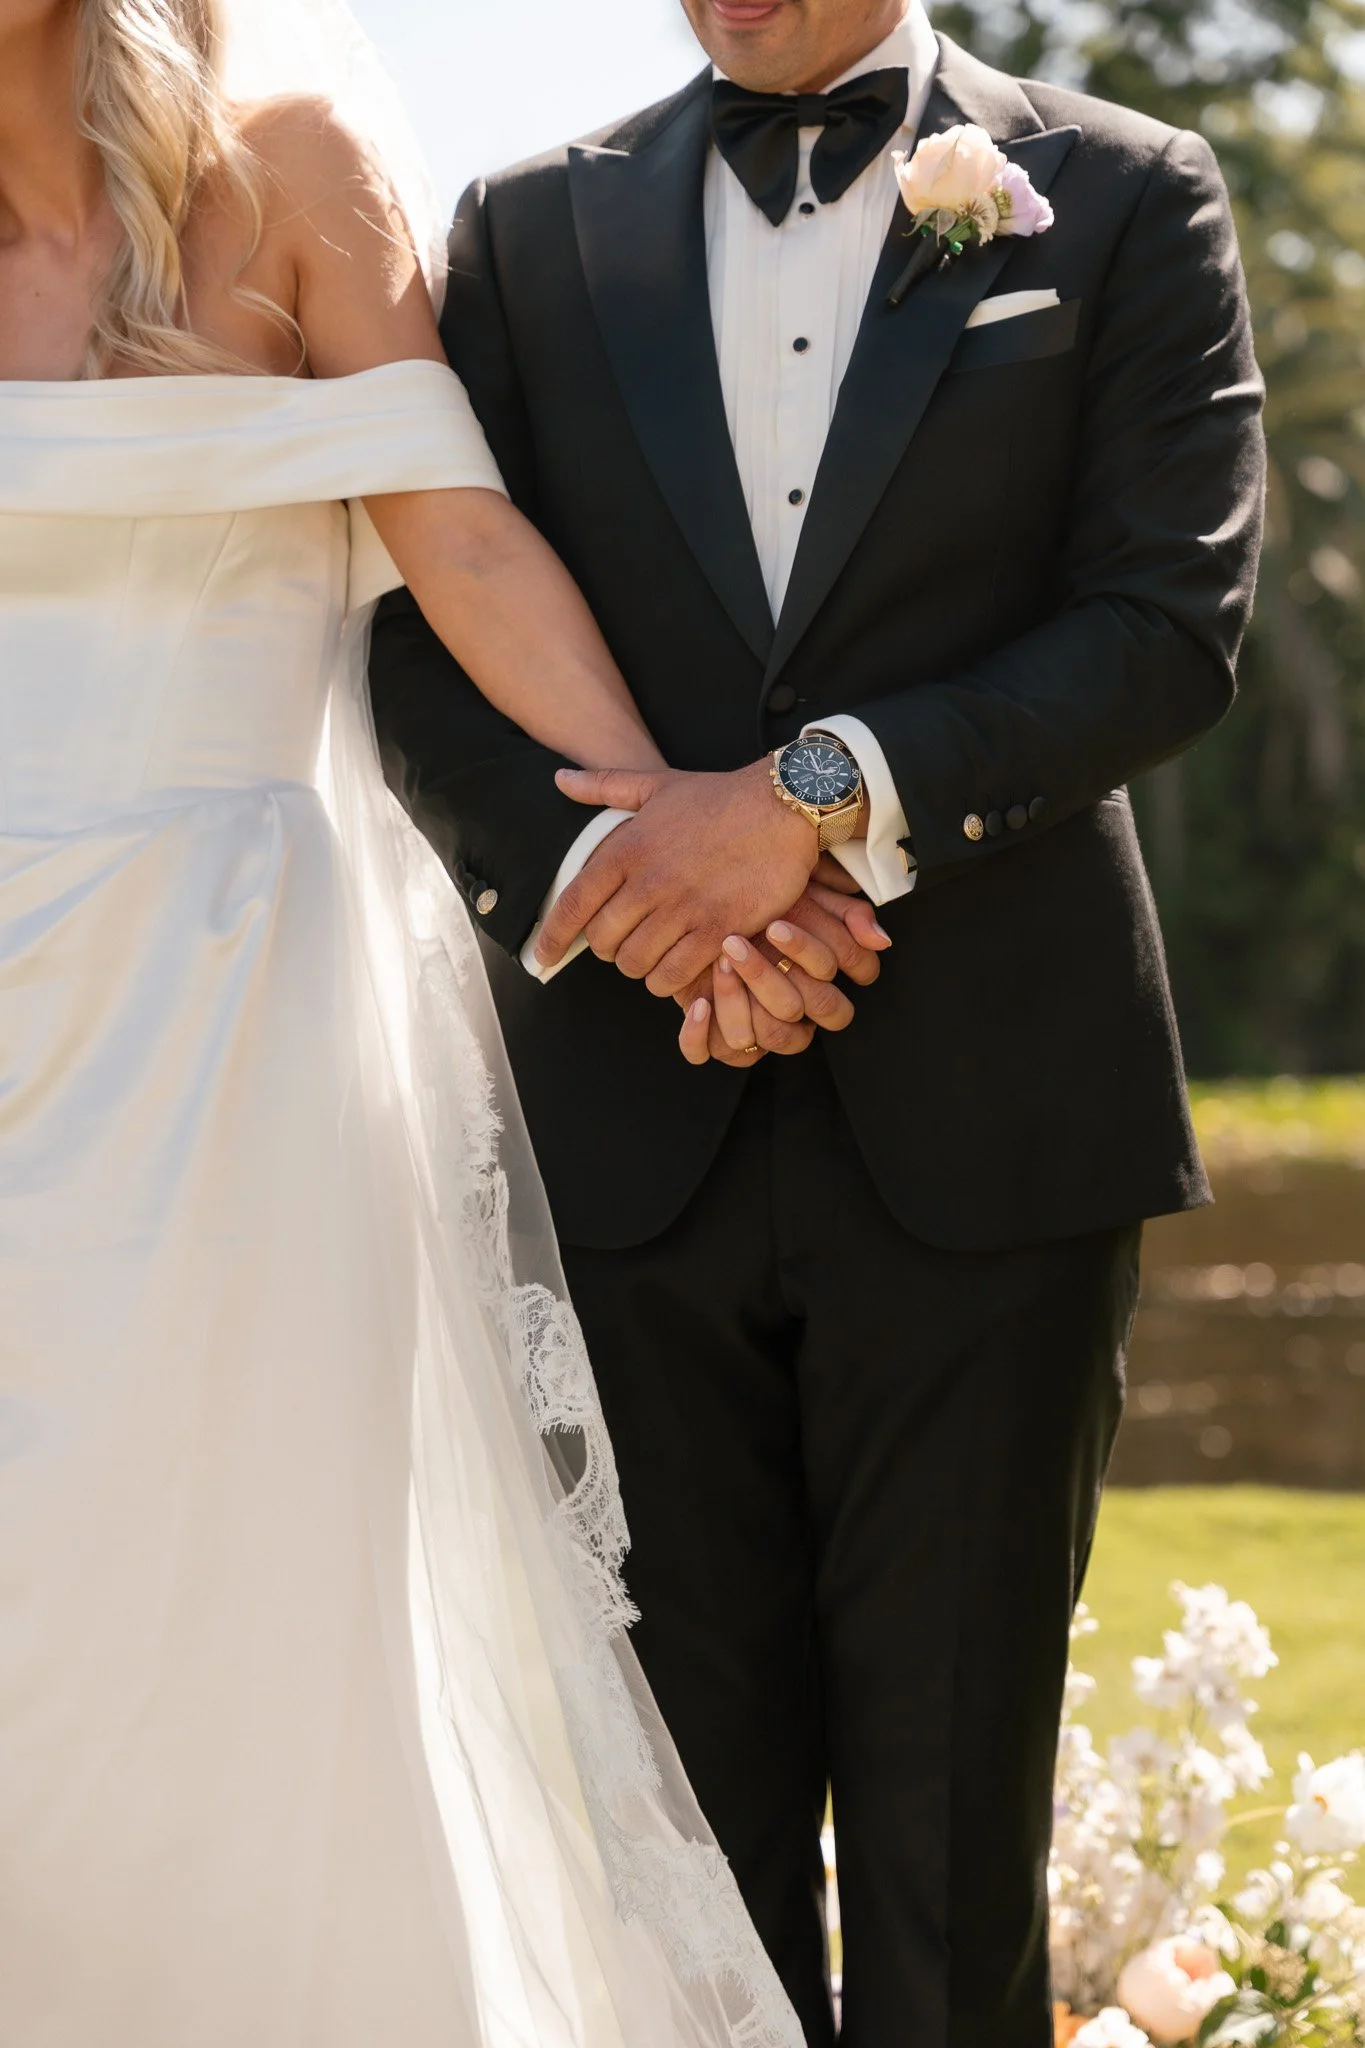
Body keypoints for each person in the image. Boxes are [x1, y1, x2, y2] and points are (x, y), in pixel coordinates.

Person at [367, 0, 1268, 2041]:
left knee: (958, 1843)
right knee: (674, 1849)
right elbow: (420, 631)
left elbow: (1164, 620)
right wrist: (649, 905)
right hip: (627, 1126)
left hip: (997, 1130)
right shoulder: (520, 231)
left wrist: (811, 809)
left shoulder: (1125, 196)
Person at [0, 0, 879, 2039]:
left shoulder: (292, 150)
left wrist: (697, 866)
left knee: (248, 1615)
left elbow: (462, 542)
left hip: (225, 1020)